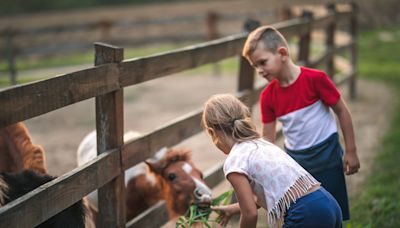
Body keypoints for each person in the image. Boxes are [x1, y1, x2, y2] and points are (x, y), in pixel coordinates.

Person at [241, 25, 360, 221]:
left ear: (282, 53)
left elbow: (342, 111)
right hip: (297, 166)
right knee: (307, 216)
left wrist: (351, 150)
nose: (260, 71)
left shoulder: (316, 79)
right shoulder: (268, 97)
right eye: (255, 66)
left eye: (263, 62)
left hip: (328, 157)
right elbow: (268, 141)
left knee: (334, 213)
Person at [202, 93, 342, 228]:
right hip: (327, 202)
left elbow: (250, 214)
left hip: (305, 213)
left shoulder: (234, 162)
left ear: (212, 132)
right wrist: (233, 209)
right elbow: (269, 193)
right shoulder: (261, 144)